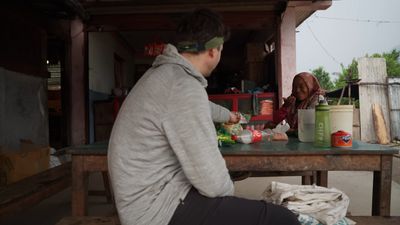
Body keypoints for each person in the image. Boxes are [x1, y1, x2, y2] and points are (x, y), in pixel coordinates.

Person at [108, 8, 300, 225]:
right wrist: (229, 200)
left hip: (145, 199)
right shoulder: (183, 86)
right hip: (156, 210)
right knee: (283, 218)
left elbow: (204, 107)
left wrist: (230, 115)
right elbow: (212, 182)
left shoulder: (167, 76)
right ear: (214, 50)